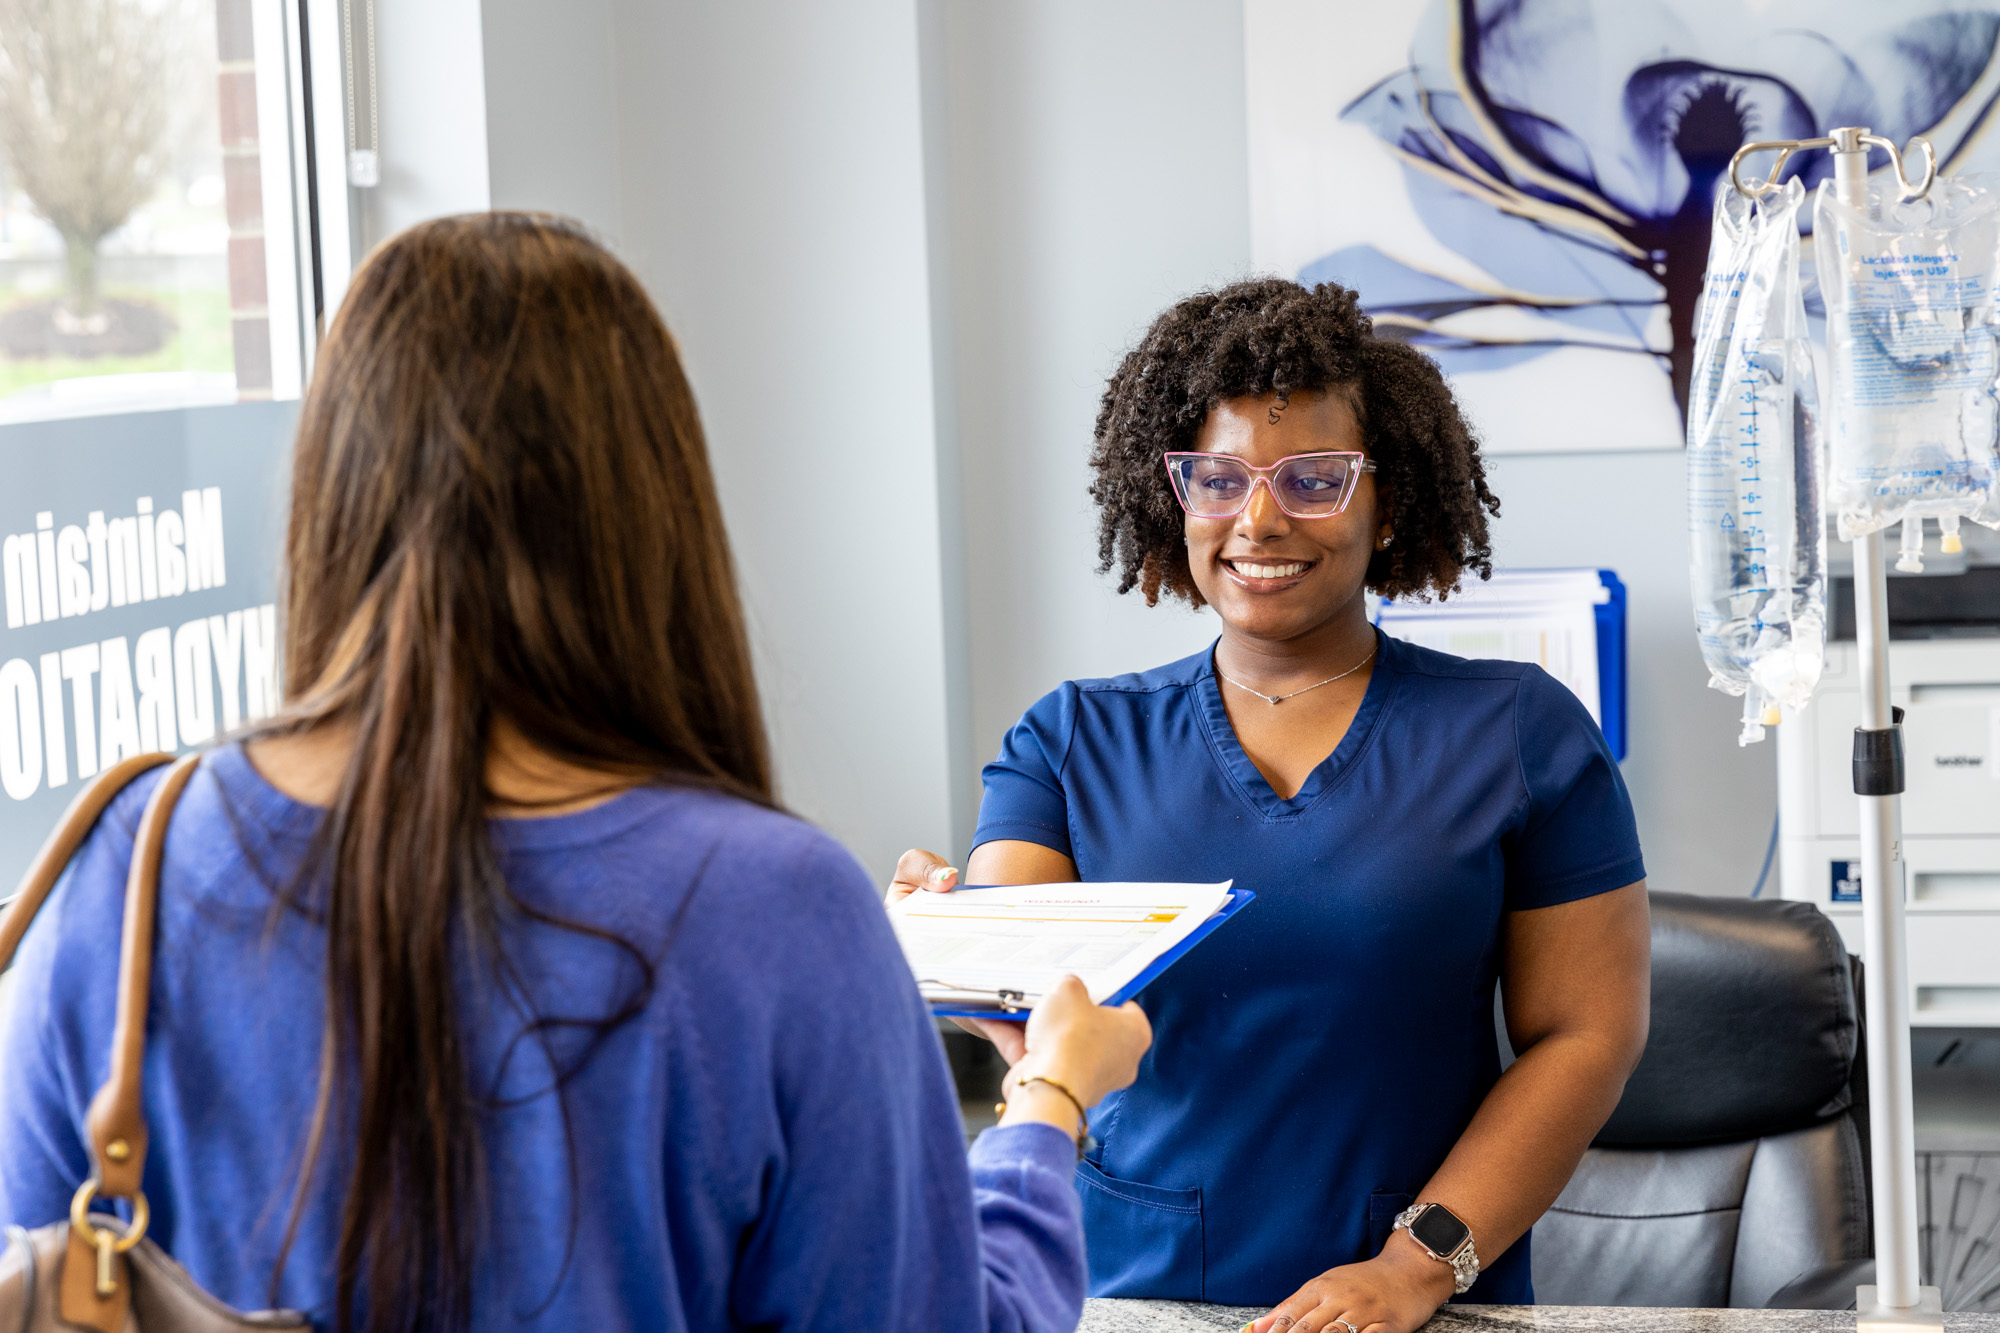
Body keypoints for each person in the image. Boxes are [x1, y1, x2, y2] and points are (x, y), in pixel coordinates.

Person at [0, 213, 1151, 1333]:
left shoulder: (125, 864)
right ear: (649, 506)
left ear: (329, 494)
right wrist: (1044, 1103)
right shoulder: (774, 907)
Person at [891, 280, 1651, 1333]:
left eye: (1313, 479)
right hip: (1127, 1293)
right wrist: (955, 949)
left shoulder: (1518, 733)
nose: (1258, 518)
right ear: (1172, 496)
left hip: (1417, 1305)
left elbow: (1586, 1034)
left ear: (1386, 500)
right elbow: (1042, 1013)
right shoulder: (1067, 741)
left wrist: (1416, 1266)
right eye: (1216, 477)